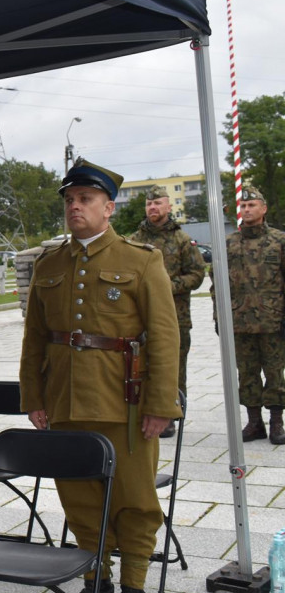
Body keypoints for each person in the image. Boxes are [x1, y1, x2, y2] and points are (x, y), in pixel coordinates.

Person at [21, 159, 181, 593]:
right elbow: (34, 339)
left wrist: (159, 405)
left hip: (125, 402)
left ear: (108, 207)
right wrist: (35, 397)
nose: (75, 207)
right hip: (66, 401)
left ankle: (133, 592)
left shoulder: (141, 260)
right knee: (81, 501)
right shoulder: (48, 264)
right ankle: (98, 586)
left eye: (85, 199)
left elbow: (165, 337)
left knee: (135, 500)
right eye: (70, 200)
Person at [129, 185, 205, 438]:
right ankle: (144, 410)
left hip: (176, 317)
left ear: (168, 207)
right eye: (150, 204)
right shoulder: (135, 241)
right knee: (140, 366)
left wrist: (167, 288)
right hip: (140, 319)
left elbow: (197, 274)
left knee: (173, 367)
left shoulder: (181, 240)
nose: (153, 208)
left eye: (158, 203)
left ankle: (171, 413)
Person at [217, 185, 285, 445]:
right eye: (243, 206)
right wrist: (218, 318)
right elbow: (218, 284)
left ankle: (276, 422)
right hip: (240, 322)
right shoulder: (229, 243)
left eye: (252, 205)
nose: (246, 209)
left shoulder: (279, 240)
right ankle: (254, 422)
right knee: (246, 374)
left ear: (263, 209)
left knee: (275, 373)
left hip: (272, 322)